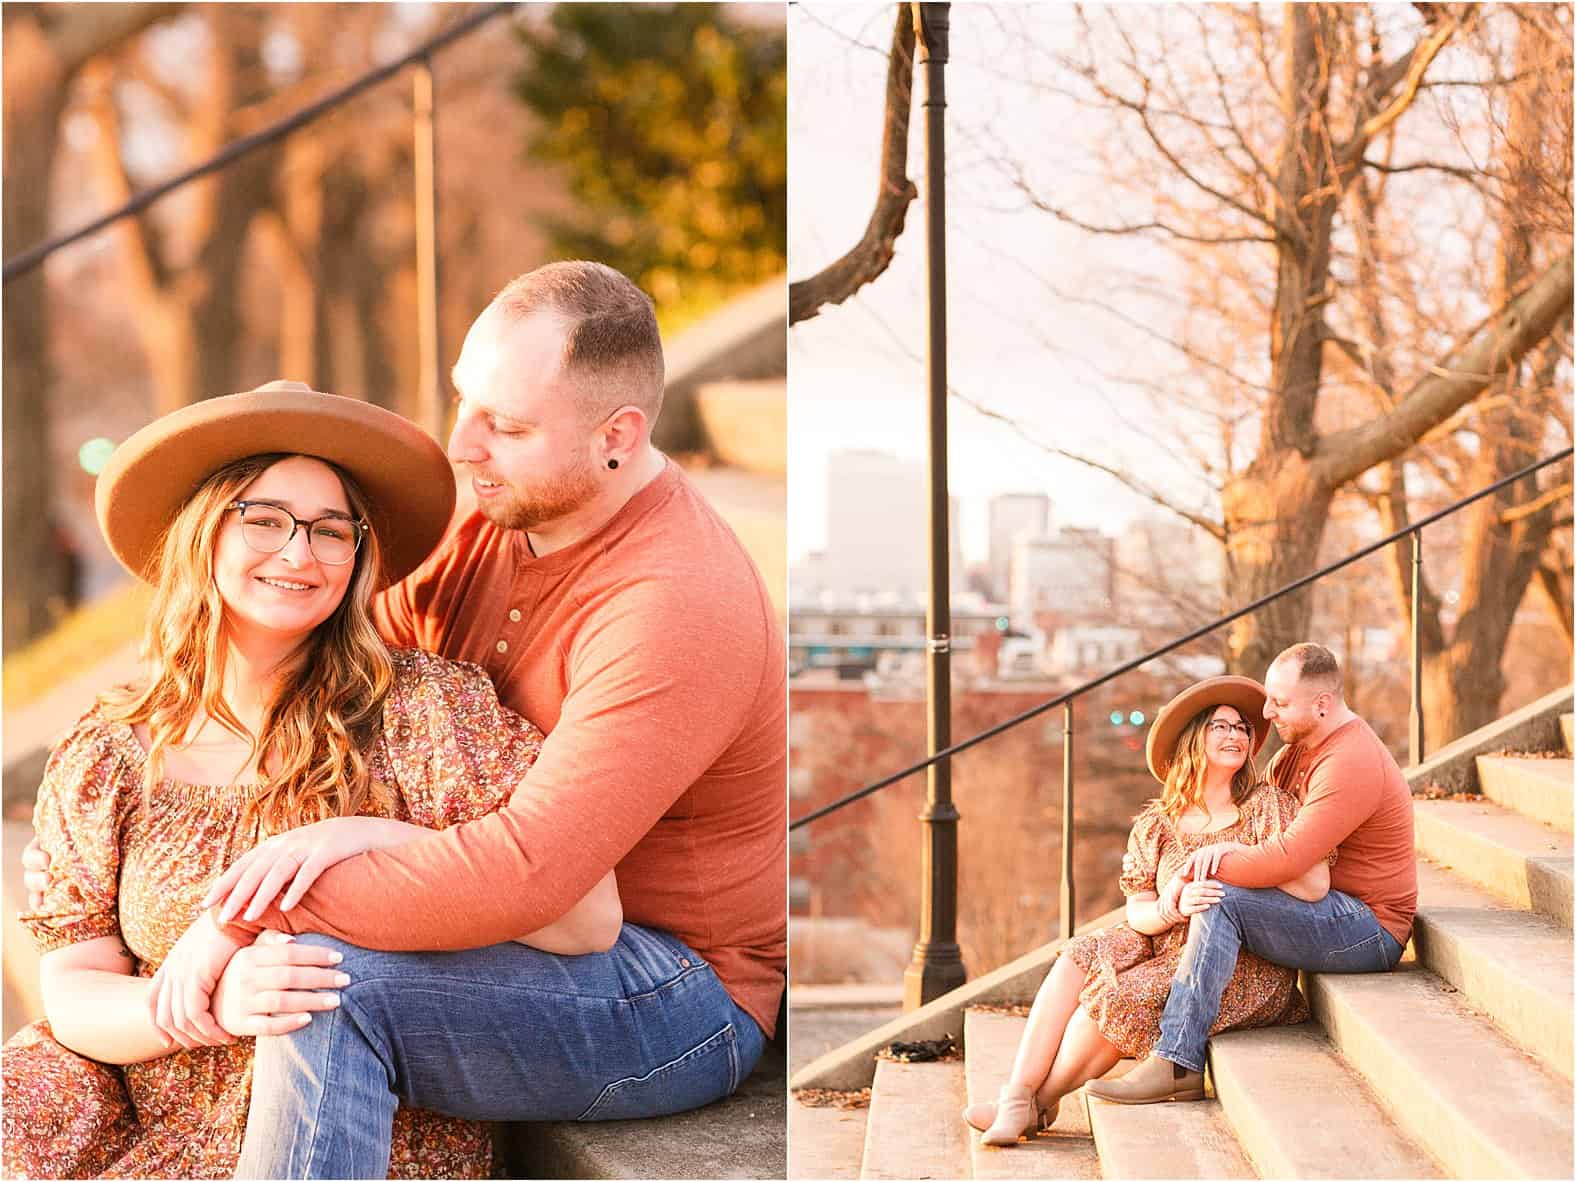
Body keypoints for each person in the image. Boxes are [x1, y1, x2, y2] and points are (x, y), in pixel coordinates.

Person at [28, 261, 787, 1178]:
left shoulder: (677, 603)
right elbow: (318, 634)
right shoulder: (496, 514)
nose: (462, 446)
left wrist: (231, 918)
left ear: (616, 435)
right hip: (516, 934)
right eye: (465, 403)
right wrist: (115, 808)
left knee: (326, 985)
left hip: (668, 987)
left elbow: (537, 877)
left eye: (505, 426)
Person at [3, 384, 625, 1179]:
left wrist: (386, 838)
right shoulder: (111, 751)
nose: (299, 554)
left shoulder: (427, 714)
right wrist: (212, 1009)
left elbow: (583, 917)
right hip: (147, 1111)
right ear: (203, 532)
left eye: (332, 531)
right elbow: (77, 990)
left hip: (353, 1127)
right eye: (264, 520)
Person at [960, 675, 1333, 1145]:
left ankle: (1031, 1104)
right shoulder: (1156, 823)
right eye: (1221, 726)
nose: (1236, 735)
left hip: (1238, 962)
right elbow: (1138, 910)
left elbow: (1308, 882)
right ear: (1193, 739)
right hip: (1163, 941)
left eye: (1242, 729)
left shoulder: (1266, 806)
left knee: (1120, 994)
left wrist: (1234, 869)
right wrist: (1170, 904)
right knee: (1079, 955)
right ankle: (1019, 1097)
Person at [1086, 642, 1414, 1105]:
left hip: (1368, 926)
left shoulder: (1350, 760)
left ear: (1321, 705)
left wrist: (1216, 852)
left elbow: (1289, 856)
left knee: (1219, 893)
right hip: (1318, 907)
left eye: (1279, 703)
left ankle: (1176, 1061)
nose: (1266, 712)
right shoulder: (1294, 754)